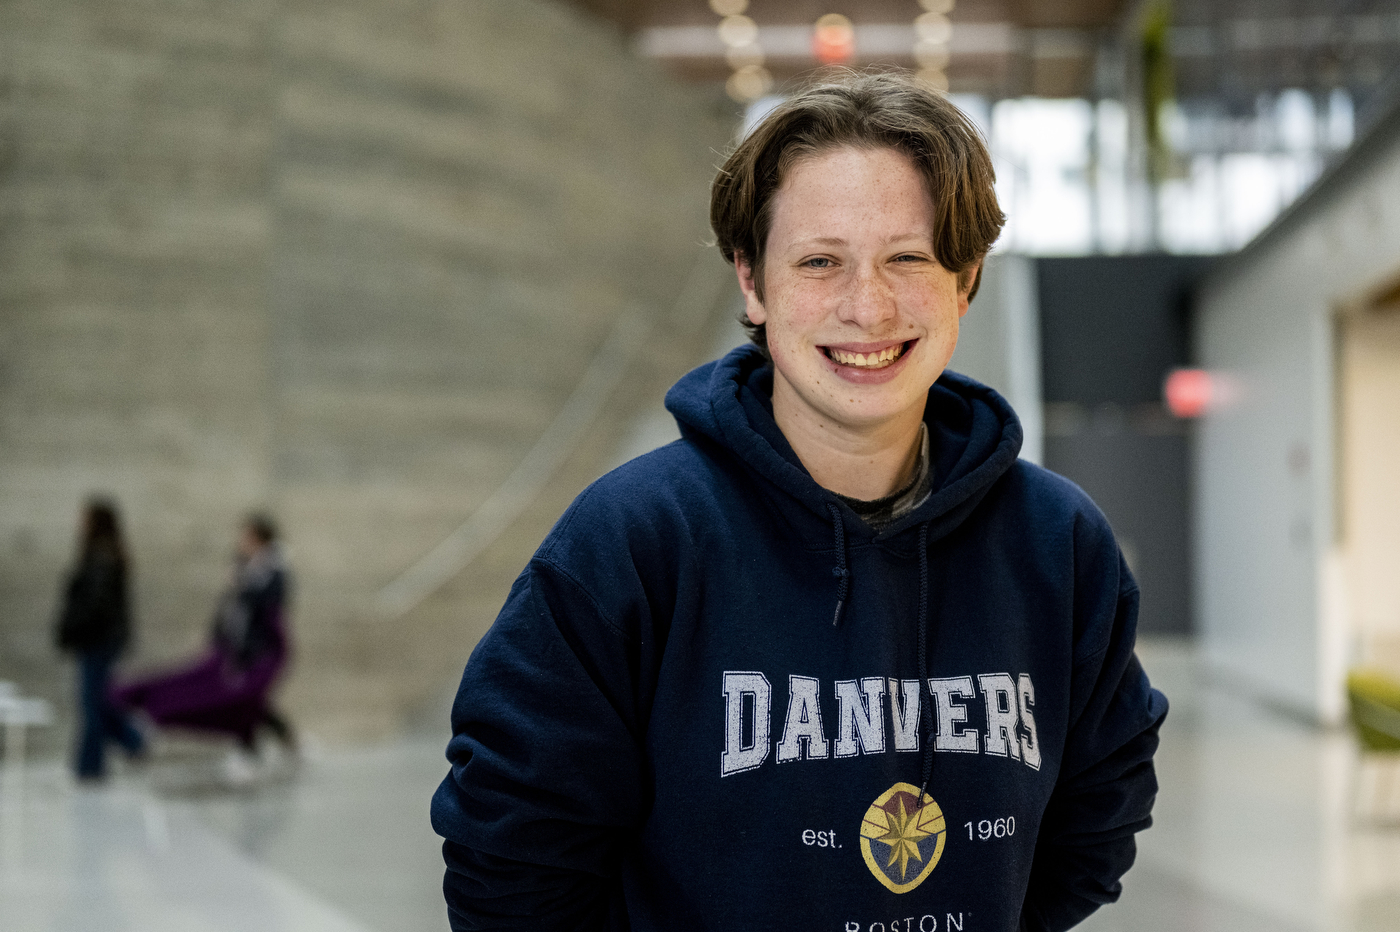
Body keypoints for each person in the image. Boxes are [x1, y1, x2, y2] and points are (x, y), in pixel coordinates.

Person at [431, 70, 1168, 932]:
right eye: (820, 261)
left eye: (909, 258)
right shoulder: (631, 542)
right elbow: (511, 861)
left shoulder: (1059, 543)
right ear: (751, 282)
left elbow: (1101, 811)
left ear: (964, 283)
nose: (868, 306)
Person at [114, 514, 296, 758]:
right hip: (235, 648)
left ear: (258, 539)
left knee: (246, 699)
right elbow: (229, 609)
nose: (241, 542)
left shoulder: (272, 571)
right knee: (248, 702)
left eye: (246, 536)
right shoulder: (245, 567)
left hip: (260, 651)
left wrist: (242, 584)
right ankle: (265, 744)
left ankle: (261, 745)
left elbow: (268, 607)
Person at [55, 497, 146, 781]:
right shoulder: (102, 554)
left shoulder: (103, 557)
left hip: (98, 640)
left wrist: (75, 630)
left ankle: (92, 764)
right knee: (95, 701)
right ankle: (125, 744)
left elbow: (96, 605)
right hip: (99, 639)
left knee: (93, 702)